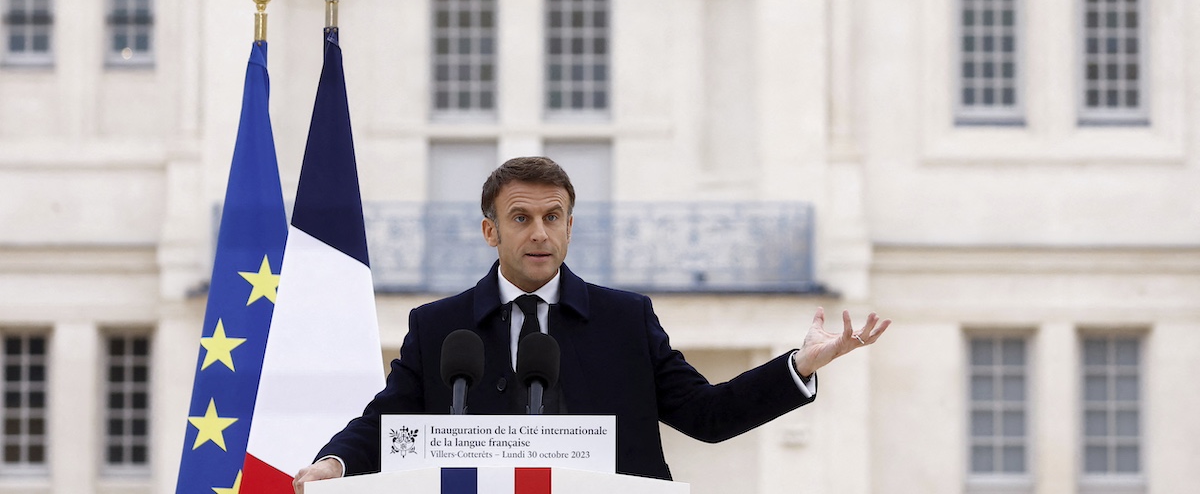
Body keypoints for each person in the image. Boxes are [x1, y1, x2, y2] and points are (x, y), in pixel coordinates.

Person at [293, 156, 889, 492]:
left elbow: (707, 416)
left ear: (571, 226)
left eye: (554, 217)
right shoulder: (439, 328)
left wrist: (800, 366)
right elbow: (387, 420)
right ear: (490, 230)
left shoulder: (626, 321)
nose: (540, 233)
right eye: (521, 217)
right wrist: (333, 465)